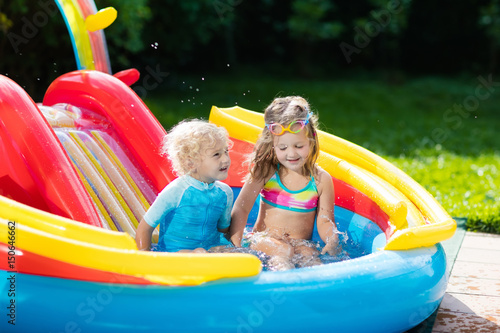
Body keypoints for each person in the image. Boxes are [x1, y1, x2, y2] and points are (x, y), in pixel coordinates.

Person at [230, 96, 339, 270]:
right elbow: (242, 208)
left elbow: (325, 221)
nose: (291, 154)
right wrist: (235, 244)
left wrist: (331, 239)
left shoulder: (321, 180)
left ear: (311, 140)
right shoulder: (266, 171)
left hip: (300, 243)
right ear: (272, 145)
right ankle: (282, 292)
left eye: (298, 146)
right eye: (283, 148)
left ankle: (314, 293)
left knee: (311, 257)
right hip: (263, 241)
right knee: (283, 252)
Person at [135, 119, 233, 253]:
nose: (226, 159)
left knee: (229, 250)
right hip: (175, 254)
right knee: (198, 253)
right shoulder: (176, 191)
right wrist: (144, 258)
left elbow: (223, 229)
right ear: (190, 163)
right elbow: (145, 228)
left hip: (209, 251)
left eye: (226, 151)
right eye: (217, 154)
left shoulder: (225, 193)